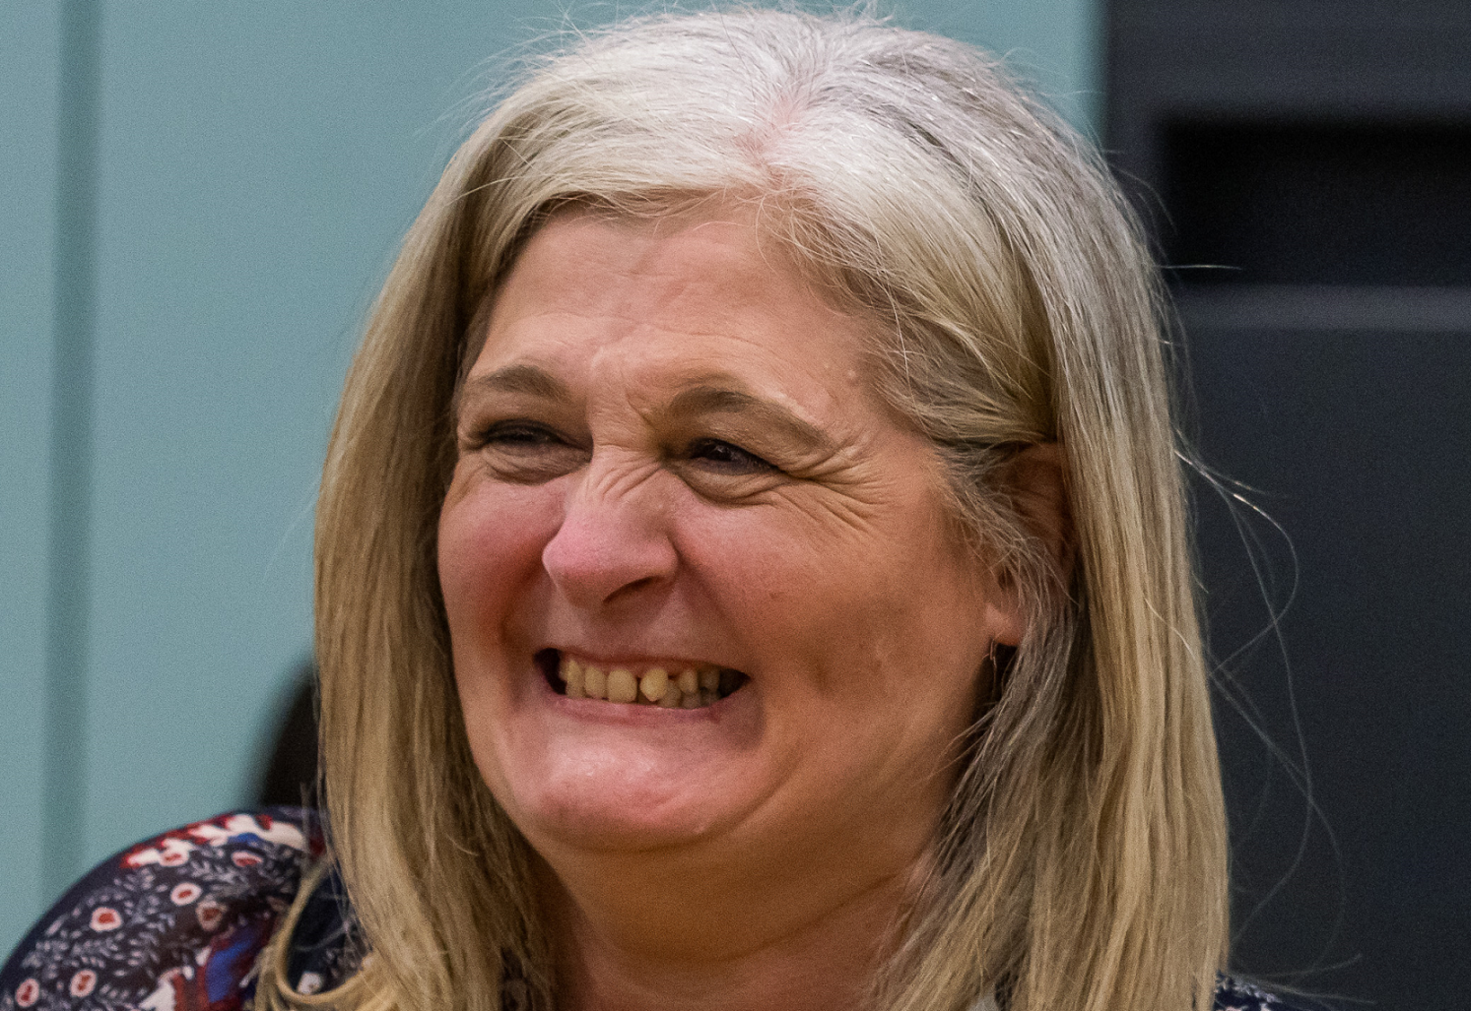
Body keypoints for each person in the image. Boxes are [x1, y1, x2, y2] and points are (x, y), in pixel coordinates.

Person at [2, 9, 1313, 1011]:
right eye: (524, 437)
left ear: (1025, 545)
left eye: (728, 451)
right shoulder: (184, 961)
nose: (588, 549)